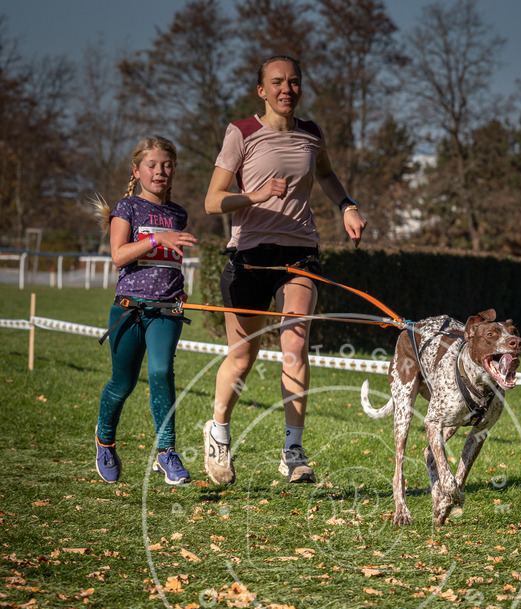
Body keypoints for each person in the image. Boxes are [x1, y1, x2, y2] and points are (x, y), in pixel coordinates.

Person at [203, 55, 367, 486]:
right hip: (251, 256)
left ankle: (293, 451)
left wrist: (346, 206)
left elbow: (327, 175)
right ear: (262, 90)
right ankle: (218, 430)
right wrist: (254, 195)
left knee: (294, 344)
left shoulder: (311, 134)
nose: (286, 89)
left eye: (293, 82)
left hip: (299, 253)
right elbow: (212, 200)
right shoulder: (241, 133)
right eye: (277, 82)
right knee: (242, 359)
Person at [91, 136, 198, 485]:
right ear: (137, 170)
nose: (160, 171)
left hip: (166, 312)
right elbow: (118, 255)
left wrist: (180, 289)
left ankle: (166, 453)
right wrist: (156, 239)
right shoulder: (127, 208)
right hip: (128, 311)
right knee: (122, 384)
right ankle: (104, 441)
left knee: (160, 372)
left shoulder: (178, 213)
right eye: (152, 165)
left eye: (167, 165)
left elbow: (169, 266)